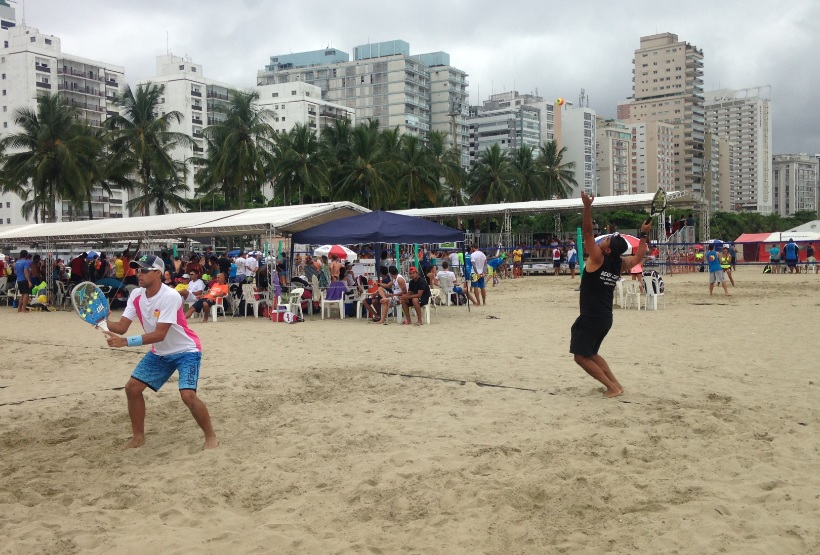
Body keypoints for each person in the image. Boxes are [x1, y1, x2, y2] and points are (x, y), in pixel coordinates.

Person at [102, 254, 217, 449]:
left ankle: (210, 436)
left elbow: (160, 334)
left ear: (158, 273)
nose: (140, 274)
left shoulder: (170, 296)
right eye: (138, 270)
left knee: (187, 395)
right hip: (160, 353)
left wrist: (125, 342)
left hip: (186, 350)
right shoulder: (136, 295)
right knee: (132, 388)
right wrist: (102, 322)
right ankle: (138, 438)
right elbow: (121, 327)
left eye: (144, 270)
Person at [571, 192, 652, 398]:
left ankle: (612, 387)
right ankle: (616, 384)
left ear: (607, 251)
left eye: (606, 240)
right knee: (592, 354)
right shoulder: (619, 263)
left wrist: (587, 207)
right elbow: (639, 257)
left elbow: (588, 234)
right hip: (605, 317)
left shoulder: (598, 258)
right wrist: (643, 235)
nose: (604, 239)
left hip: (592, 317)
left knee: (581, 357)